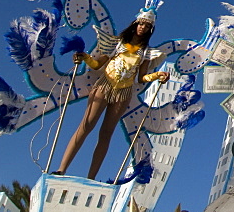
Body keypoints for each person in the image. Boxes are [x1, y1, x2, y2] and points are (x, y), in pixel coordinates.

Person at [54, 12, 169, 179]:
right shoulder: (117, 43)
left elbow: (141, 78)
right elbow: (97, 65)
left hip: (124, 93)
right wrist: (85, 57)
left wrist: (157, 76)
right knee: (86, 126)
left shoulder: (146, 52)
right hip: (105, 85)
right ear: (135, 24)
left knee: (106, 133)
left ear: (150, 30)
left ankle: (91, 177)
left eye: (147, 26)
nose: (142, 28)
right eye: (141, 24)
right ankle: (62, 169)